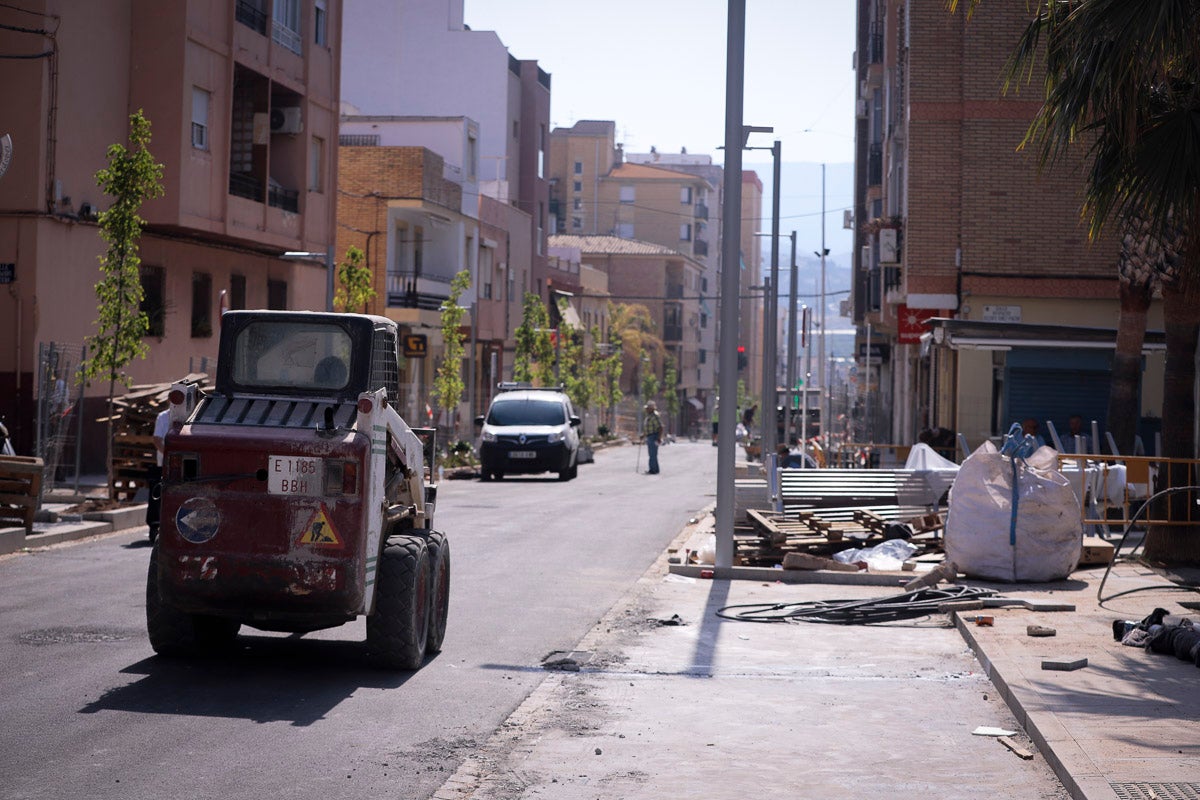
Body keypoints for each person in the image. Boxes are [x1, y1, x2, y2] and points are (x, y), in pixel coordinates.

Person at [146, 407, 171, 541]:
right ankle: (155, 527)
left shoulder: (190, 415)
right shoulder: (163, 417)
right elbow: (157, 439)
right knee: (158, 496)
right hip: (164, 463)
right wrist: (168, 455)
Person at [642, 400, 663, 475]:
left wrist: (659, 438)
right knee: (651, 454)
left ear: (651, 408)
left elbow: (660, 427)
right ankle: (654, 469)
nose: (646, 409)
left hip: (653, 436)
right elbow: (648, 427)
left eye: (647, 408)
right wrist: (643, 435)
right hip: (649, 436)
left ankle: (653, 470)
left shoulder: (655, 416)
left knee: (653, 454)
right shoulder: (649, 416)